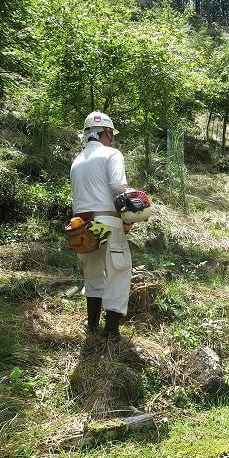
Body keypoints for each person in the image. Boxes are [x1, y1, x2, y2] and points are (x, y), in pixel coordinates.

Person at [70, 111, 131, 340]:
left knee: (93, 273)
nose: (112, 138)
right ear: (105, 132)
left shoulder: (77, 161)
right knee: (119, 271)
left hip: (84, 226)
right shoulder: (111, 154)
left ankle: (92, 325)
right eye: (110, 134)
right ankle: (111, 332)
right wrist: (128, 217)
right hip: (108, 221)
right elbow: (118, 188)